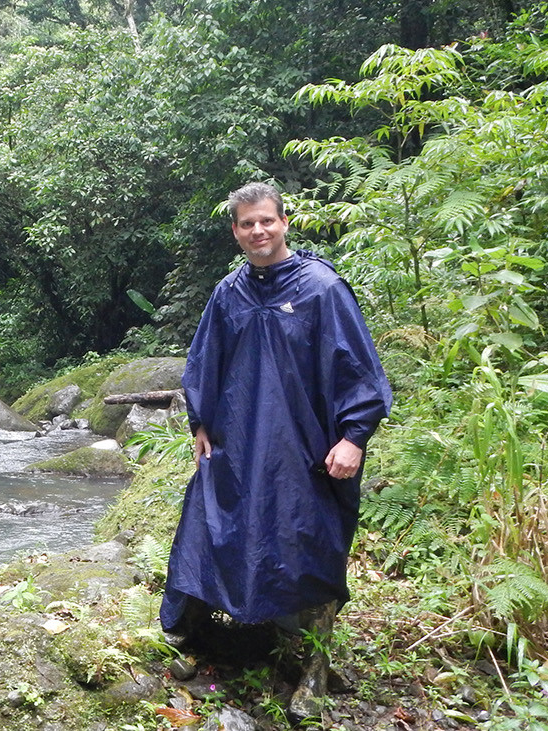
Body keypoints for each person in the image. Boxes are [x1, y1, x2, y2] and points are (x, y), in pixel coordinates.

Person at [159, 182, 392, 721]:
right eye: (246, 224)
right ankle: (190, 637)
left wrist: (354, 438)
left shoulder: (321, 288)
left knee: (307, 539)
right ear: (235, 232)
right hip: (236, 444)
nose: (258, 231)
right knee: (211, 529)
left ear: (284, 222)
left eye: (266, 221)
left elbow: (359, 370)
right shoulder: (229, 292)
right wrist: (201, 421)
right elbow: (205, 361)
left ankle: (312, 667)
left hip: (306, 449)